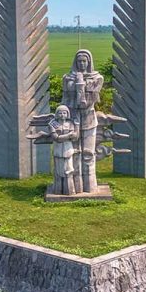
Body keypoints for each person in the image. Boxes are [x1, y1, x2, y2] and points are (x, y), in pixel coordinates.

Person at [62, 50, 103, 193]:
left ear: (89, 62)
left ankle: (90, 186)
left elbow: (90, 99)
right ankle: (74, 187)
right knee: (74, 153)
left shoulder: (97, 78)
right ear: (75, 62)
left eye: (84, 61)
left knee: (88, 153)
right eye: (79, 61)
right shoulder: (68, 78)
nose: (82, 63)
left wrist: (82, 84)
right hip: (73, 119)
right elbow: (66, 99)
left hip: (89, 119)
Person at [47, 105, 79, 195]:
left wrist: (76, 127)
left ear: (67, 114)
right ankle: (58, 190)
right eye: (60, 113)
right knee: (58, 171)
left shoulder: (70, 124)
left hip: (68, 149)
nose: (62, 115)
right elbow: (56, 138)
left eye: (64, 113)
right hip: (58, 149)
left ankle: (69, 190)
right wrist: (68, 136)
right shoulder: (52, 124)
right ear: (57, 114)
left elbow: (75, 137)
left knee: (68, 170)